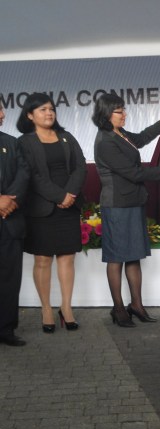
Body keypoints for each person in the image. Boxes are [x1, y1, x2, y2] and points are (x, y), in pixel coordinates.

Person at [92, 93, 160, 327]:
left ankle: (137, 305)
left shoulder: (119, 133)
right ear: (106, 114)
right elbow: (133, 173)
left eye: (124, 110)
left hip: (133, 202)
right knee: (116, 258)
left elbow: (141, 139)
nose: (124, 114)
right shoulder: (105, 141)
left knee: (133, 255)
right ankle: (118, 309)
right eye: (118, 111)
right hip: (117, 206)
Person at [17, 93, 87, 333]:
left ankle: (66, 307)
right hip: (41, 208)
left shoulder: (67, 137)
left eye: (51, 109)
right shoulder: (24, 142)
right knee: (43, 260)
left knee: (67, 257)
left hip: (70, 204)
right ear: (30, 115)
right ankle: (46, 309)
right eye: (42, 109)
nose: (49, 113)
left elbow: (80, 166)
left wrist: (70, 194)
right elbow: (32, 176)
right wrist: (59, 196)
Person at [0, 104, 30, 346]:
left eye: (2, 109)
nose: (2, 114)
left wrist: (10, 200)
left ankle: (6, 329)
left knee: (10, 278)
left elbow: (24, 174)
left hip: (10, 222)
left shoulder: (12, 142)